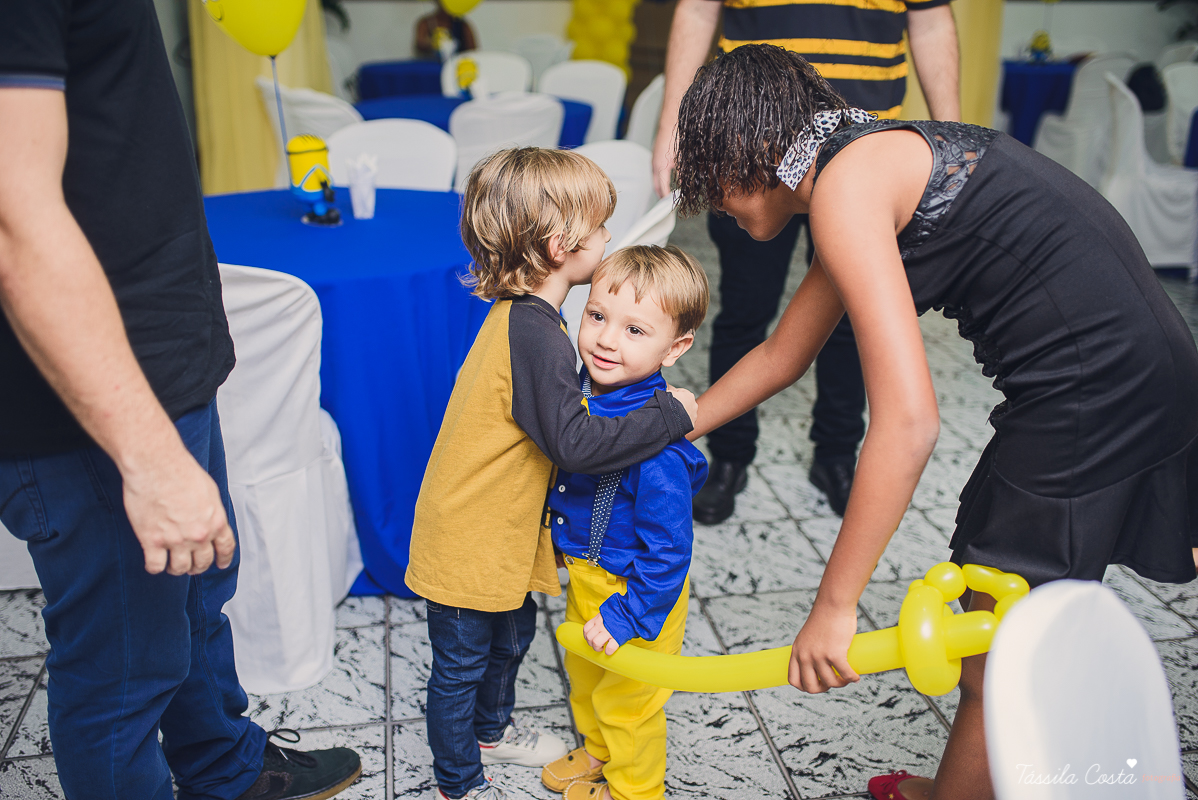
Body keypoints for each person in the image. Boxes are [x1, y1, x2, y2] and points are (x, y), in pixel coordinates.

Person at [672, 45, 1198, 800]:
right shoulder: (866, 159)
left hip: (1092, 392)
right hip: (1151, 359)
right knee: (1005, 621)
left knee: (995, 636)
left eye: (716, 182)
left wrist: (834, 607)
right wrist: (672, 422)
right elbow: (787, 353)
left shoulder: (845, 192)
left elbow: (911, 423)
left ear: (754, 151)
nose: (716, 203)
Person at [0, 2, 362, 799]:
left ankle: (221, 769)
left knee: (197, 599)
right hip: (80, 405)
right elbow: (15, 219)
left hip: (160, 367)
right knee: (124, 669)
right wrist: (149, 456)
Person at [405, 148, 699, 800]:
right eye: (599, 230)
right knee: (459, 664)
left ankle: (490, 732)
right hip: (468, 536)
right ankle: (459, 779)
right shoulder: (536, 333)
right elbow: (576, 443)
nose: (608, 240)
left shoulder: (532, 318)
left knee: (512, 636)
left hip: (500, 534)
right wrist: (670, 417)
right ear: (561, 243)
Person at [651, 0, 961, 523]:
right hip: (747, 149)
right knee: (744, 311)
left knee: (852, 320)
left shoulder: (863, 180)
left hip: (862, 150)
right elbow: (698, 11)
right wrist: (674, 126)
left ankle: (837, 454)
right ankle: (729, 457)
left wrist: (950, 141)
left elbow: (931, 21)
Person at [540, 246, 709, 800]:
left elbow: (668, 553)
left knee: (630, 702)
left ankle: (633, 789)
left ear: (675, 347)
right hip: (590, 578)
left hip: (636, 592)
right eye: (596, 316)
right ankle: (597, 750)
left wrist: (629, 614)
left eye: (635, 329)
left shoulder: (654, 446)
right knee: (586, 677)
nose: (607, 340)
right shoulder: (586, 397)